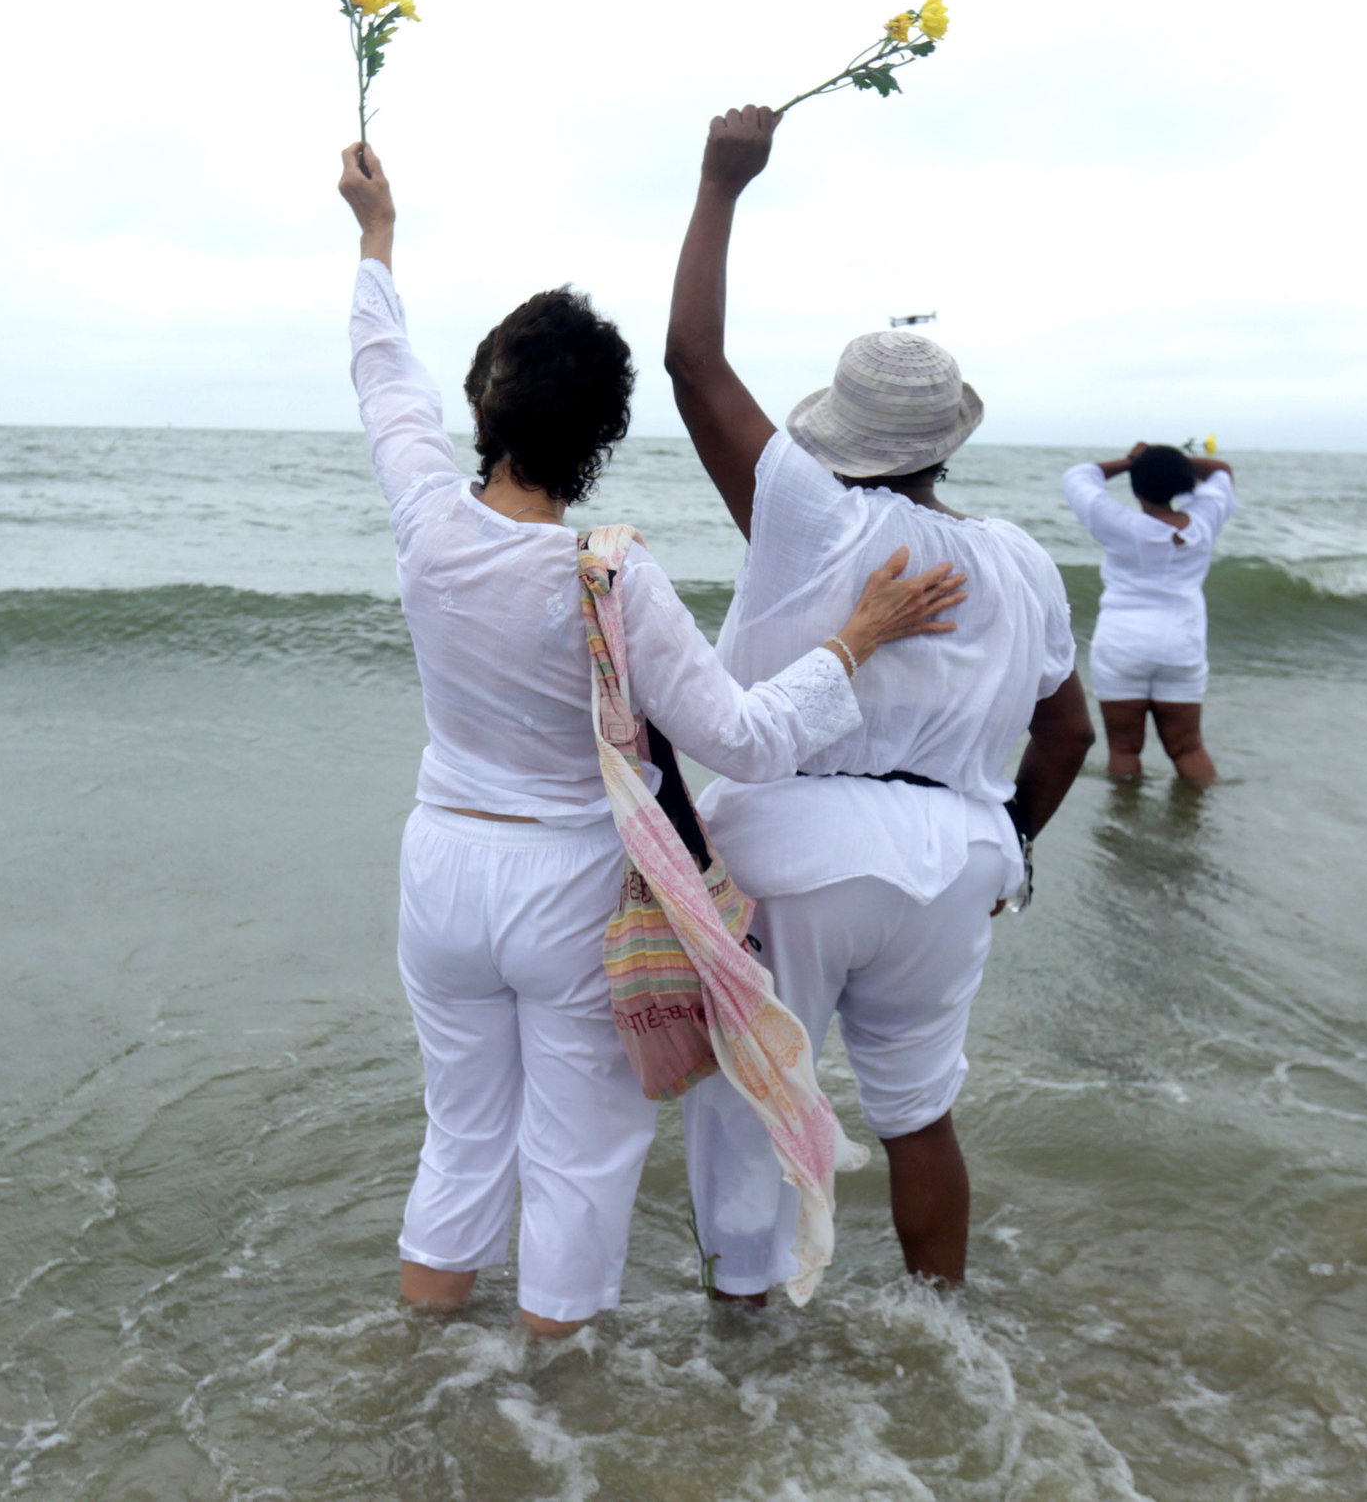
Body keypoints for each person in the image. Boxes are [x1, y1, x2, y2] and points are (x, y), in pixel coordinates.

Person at [337, 142, 970, 1337]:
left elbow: (382, 376)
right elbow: (739, 736)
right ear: (604, 435)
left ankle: (427, 1370)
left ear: (484, 400)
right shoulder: (609, 576)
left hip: (440, 863)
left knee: (463, 1126)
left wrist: (376, 234)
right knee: (577, 1154)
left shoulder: (426, 518)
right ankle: (547, 1418)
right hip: (568, 883)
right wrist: (855, 639)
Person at [662, 106, 1097, 1299]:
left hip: (802, 854)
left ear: (840, 433)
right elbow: (1067, 735)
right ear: (942, 443)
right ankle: (938, 1328)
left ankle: (746, 1332)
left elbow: (692, 363)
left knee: (752, 1100)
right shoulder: (1018, 556)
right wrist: (1008, 845)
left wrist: (722, 182)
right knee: (919, 1111)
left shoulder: (814, 514)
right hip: (956, 857)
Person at [1061, 443, 1237, 782]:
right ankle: (1197, 824)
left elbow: (1079, 476)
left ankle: (1125, 825)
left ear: (1136, 486)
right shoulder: (1204, 520)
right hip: (1182, 645)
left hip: (1123, 644)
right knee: (1188, 747)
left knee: (1124, 748)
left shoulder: (1120, 524)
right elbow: (1221, 471)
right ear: (1184, 483)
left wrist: (1132, 461)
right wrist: (1172, 460)